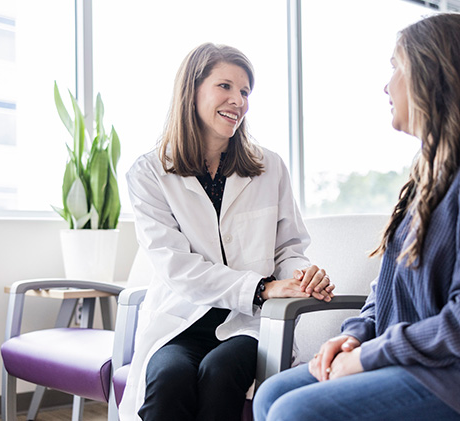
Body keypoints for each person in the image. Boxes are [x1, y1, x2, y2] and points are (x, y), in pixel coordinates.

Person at [253, 12, 460, 421]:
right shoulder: (432, 173)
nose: (385, 86)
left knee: (295, 412)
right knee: (271, 394)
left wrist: (371, 356)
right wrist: (354, 338)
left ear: (432, 74)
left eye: (395, 67)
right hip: (424, 364)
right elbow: (389, 286)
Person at [119, 43, 335, 421]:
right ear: (192, 91)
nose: (238, 100)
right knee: (169, 379)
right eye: (225, 86)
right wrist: (259, 287)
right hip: (181, 321)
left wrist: (301, 275)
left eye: (246, 91)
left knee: (220, 373)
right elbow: (175, 266)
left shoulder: (269, 167)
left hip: (250, 324)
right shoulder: (149, 173)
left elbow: (288, 248)